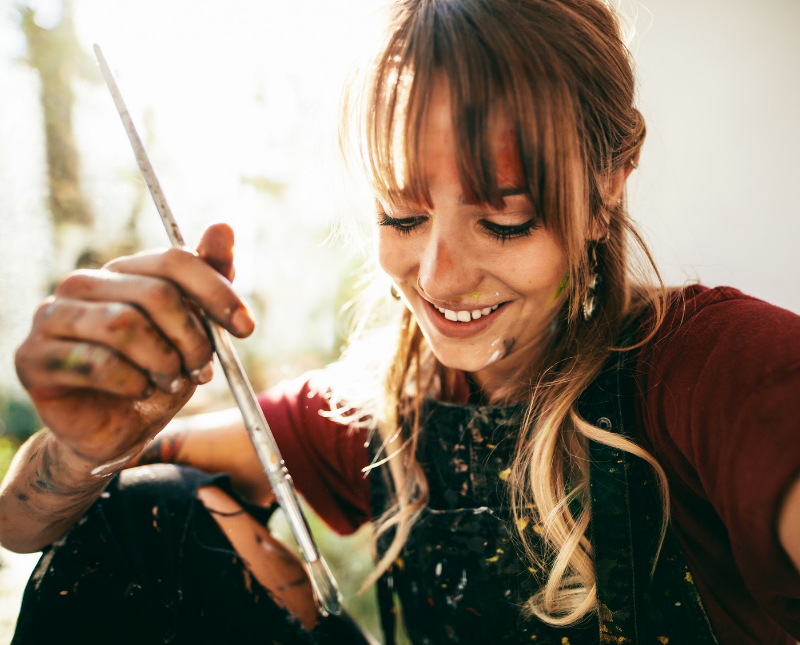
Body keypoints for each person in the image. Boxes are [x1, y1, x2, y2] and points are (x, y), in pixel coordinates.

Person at [1, 0, 799, 643]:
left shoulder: (721, 372)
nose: (439, 276)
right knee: (151, 512)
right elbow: (24, 520)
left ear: (609, 182)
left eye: (506, 220)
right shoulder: (382, 406)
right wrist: (80, 449)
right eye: (403, 214)